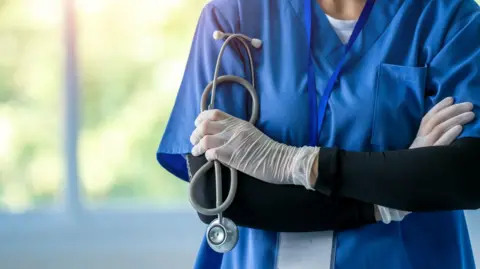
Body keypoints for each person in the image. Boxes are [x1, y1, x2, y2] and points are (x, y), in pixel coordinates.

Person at [157, 0, 480, 268]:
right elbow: (216, 193)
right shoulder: (236, 13)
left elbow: (465, 175)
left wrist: (291, 163)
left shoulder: (448, 17)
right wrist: (389, 198)